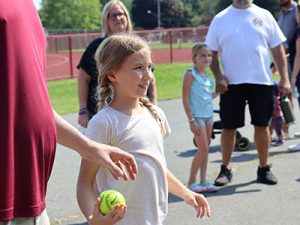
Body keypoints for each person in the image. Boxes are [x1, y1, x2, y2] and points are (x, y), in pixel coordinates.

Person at [0, 0, 138, 224]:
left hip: (31, 196)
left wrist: (89, 148)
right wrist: (84, 109)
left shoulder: (26, 7)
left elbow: (31, 106)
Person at [76, 34, 211, 224]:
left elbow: (155, 167)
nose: (148, 75)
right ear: (113, 74)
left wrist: (185, 193)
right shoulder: (104, 123)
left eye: (150, 67)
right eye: (139, 68)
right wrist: (93, 218)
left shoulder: (155, 114)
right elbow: (85, 182)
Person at [205, 0, 290, 186]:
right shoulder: (220, 18)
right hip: (231, 84)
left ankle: (263, 168)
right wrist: (218, 76)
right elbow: (211, 52)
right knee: (229, 128)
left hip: (262, 81)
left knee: (262, 125)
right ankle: (225, 169)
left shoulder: (265, 15)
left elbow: (278, 50)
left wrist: (285, 78)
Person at [77, 0, 158, 128]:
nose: (118, 18)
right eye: (113, 15)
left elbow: (150, 77)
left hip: (135, 112)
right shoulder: (97, 47)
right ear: (106, 20)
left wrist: (153, 103)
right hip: (101, 111)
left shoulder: (136, 45)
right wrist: (83, 110)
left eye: (121, 14)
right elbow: (83, 79)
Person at [182, 43, 218, 193]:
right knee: (202, 149)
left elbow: (208, 96)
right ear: (194, 58)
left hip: (209, 116)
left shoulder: (207, 75)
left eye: (209, 55)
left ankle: (204, 181)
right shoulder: (190, 73)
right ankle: (191, 183)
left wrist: (219, 91)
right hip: (197, 117)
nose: (207, 58)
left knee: (206, 149)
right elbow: (185, 98)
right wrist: (191, 120)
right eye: (203, 55)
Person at [278, 0, 299, 140]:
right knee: (286, 94)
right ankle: (284, 129)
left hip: (293, 55)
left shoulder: (296, 10)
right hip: (284, 56)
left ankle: (284, 130)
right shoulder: (281, 12)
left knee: (290, 93)